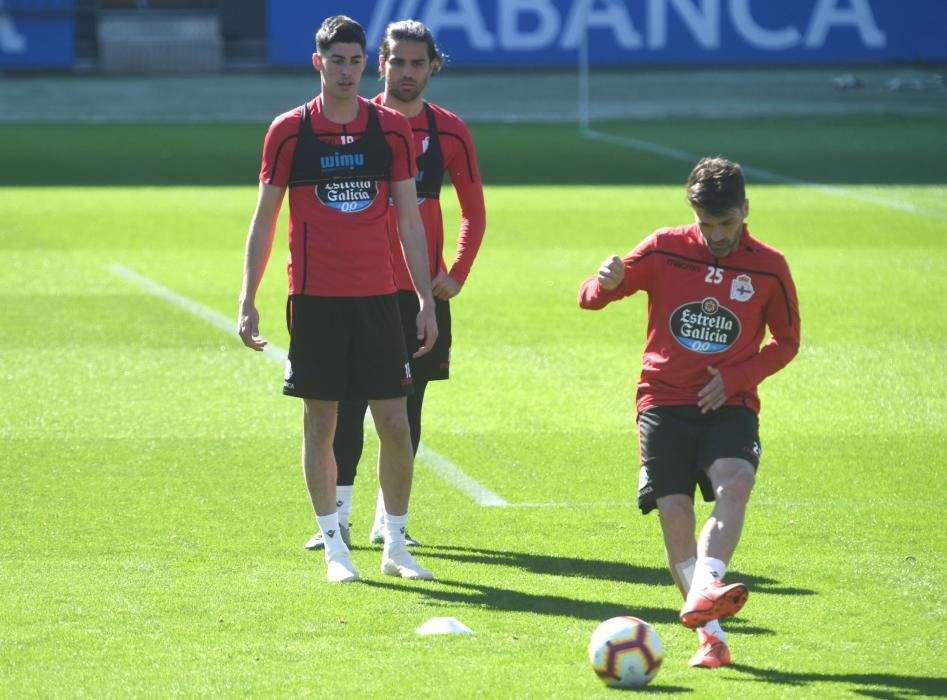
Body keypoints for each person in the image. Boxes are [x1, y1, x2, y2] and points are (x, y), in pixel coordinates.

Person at [237, 15, 438, 583]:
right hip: (316, 299)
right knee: (320, 422)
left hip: (379, 299)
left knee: (395, 423)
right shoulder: (289, 131)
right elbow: (264, 219)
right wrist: (247, 297)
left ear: (364, 63)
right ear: (318, 63)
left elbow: (410, 221)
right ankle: (334, 547)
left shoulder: (391, 130)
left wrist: (424, 298)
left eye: (355, 60)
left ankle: (395, 543)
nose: (346, 71)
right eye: (337, 60)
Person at [578, 157, 800, 668]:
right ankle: (711, 636)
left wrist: (738, 377)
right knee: (674, 511)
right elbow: (591, 299)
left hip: (730, 401)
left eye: (726, 223)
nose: (717, 234)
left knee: (735, 481)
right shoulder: (664, 247)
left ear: (745, 209)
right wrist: (604, 281)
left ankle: (705, 587)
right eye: (707, 224)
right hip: (663, 401)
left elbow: (787, 342)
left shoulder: (769, 266)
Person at [303, 20, 486, 552]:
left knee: (407, 407)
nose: (407, 72)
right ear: (378, 64)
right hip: (358, 285)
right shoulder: (359, 125)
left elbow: (474, 211)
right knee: (346, 404)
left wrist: (455, 273)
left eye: (418, 63)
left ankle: (389, 516)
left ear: (433, 66)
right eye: (397, 62)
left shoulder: (450, 131)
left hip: (417, 293)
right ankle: (338, 516)